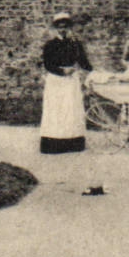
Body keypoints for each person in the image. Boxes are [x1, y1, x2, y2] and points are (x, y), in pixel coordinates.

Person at [40, 12, 92, 153]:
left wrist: (93, 72)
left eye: (65, 27)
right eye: (60, 27)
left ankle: (72, 142)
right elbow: (47, 64)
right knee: (56, 110)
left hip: (71, 81)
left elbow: (83, 61)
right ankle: (54, 143)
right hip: (56, 80)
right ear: (56, 28)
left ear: (69, 28)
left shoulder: (75, 44)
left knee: (71, 109)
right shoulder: (50, 45)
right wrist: (62, 72)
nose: (63, 30)